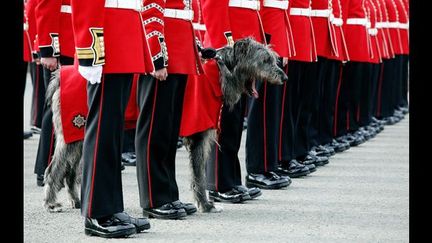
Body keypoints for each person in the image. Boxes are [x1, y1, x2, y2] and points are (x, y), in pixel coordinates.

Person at [70, 0, 152, 238]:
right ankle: (97, 211)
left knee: (113, 134)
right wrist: (90, 51)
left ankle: (113, 207)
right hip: (107, 42)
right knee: (102, 132)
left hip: (123, 35)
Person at [136, 0, 201, 219]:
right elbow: (151, 10)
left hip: (179, 47)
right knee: (155, 129)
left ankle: (168, 193)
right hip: (165, 49)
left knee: (169, 131)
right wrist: (156, 55)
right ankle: (154, 198)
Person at [33, 0, 75, 186]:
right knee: (55, 109)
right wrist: (49, 49)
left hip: (75, 43)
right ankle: (45, 168)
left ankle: (63, 168)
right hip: (61, 46)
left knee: (70, 110)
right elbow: (45, 6)